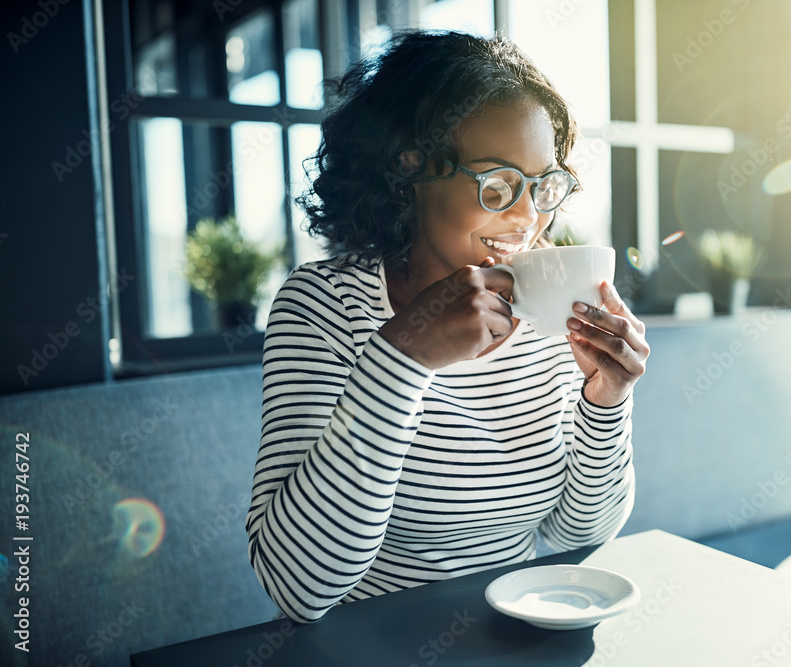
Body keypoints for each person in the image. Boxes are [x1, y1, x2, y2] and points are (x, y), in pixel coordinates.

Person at [245, 30, 649, 623]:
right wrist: (401, 358)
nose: (529, 217)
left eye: (544, 187)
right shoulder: (324, 306)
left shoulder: (550, 306)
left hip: (514, 638)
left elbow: (574, 535)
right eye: (499, 184)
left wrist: (605, 403)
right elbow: (298, 587)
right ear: (408, 168)